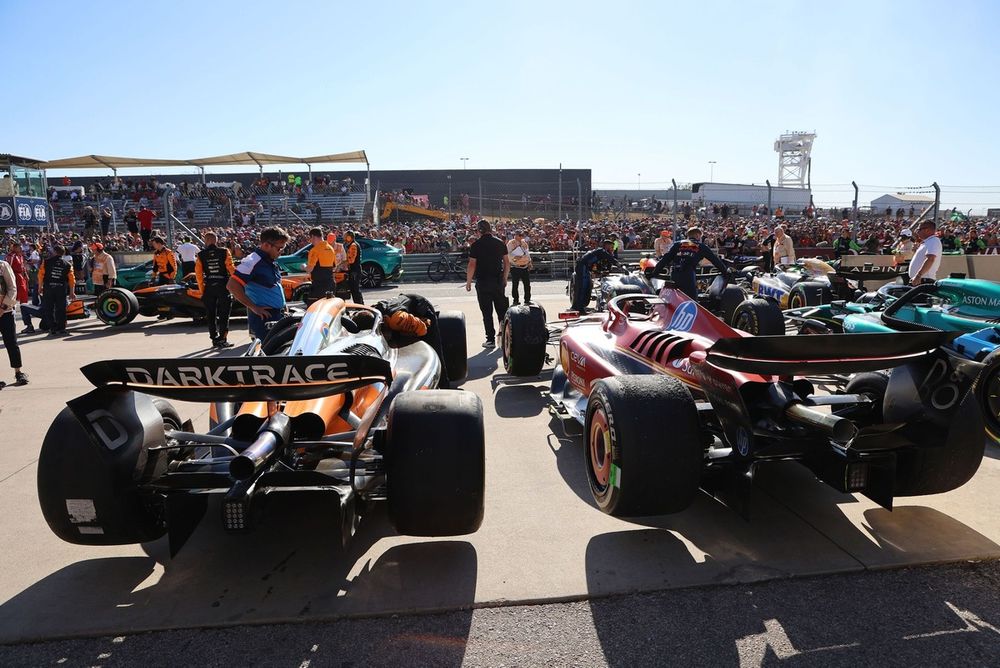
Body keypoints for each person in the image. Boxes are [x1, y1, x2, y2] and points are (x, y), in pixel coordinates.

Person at [227, 226, 289, 341]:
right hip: (264, 317)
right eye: (279, 248)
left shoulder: (269, 260)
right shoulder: (252, 261)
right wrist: (254, 307)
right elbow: (232, 285)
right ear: (266, 245)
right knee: (268, 355)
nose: (281, 252)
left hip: (276, 315)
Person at [647, 227, 729, 300]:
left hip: (675, 274)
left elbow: (664, 260)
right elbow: (715, 260)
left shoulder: (677, 244)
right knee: (692, 302)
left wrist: (654, 273)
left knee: (675, 300)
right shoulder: (701, 246)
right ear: (697, 235)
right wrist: (725, 272)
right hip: (688, 275)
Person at [465, 219, 509, 348]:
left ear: (479, 231)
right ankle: (504, 336)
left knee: (486, 312)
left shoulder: (476, 245)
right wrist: (505, 278)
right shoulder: (500, 242)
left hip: (483, 282)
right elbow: (507, 262)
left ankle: (490, 339)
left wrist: (468, 282)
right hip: (497, 281)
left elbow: (472, 264)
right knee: (502, 310)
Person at [196, 231, 236, 348]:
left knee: (210, 314)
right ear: (216, 240)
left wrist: (202, 290)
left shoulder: (201, 254)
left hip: (209, 287)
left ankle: (214, 338)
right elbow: (231, 269)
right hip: (223, 286)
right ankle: (223, 339)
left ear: (206, 240)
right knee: (224, 314)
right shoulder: (224, 251)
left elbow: (198, 275)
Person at [571, 239, 620, 313]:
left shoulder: (600, 252)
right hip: (582, 266)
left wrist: (597, 271)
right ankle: (578, 307)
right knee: (582, 287)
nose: (612, 248)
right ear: (606, 245)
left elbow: (596, 264)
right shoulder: (601, 251)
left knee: (587, 286)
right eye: (611, 246)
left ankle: (581, 306)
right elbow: (610, 258)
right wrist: (618, 264)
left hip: (585, 267)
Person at [0, 255, 27, 386]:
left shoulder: (3, 266)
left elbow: (12, 288)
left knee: (11, 343)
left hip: (5, 312)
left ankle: (18, 372)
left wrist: (3, 307)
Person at [37, 244, 74, 336]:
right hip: (61, 288)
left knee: (49, 308)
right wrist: (72, 292)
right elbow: (72, 279)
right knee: (61, 308)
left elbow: (41, 276)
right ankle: (61, 328)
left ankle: (52, 328)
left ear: (54, 252)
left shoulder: (46, 262)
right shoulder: (68, 264)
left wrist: (40, 287)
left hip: (48, 288)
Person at [305, 227, 336, 302]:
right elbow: (334, 267)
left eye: (310, 238)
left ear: (313, 236)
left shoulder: (315, 250)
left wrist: (304, 267)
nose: (310, 241)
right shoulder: (331, 248)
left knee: (315, 309)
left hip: (319, 285)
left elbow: (309, 269)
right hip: (331, 284)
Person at [909, 220, 942, 285]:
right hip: (920, 280)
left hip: (924, 280)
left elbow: (930, 259)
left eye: (919, 229)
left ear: (927, 230)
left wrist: (918, 275)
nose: (917, 231)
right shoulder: (928, 242)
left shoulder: (933, 241)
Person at [507, 230, 532, 305]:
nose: (522, 236)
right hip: (515, 267)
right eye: (520, 235)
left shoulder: (524, 243)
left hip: (524, 266)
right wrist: (515, 257)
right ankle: (515, 300)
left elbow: (527, 253)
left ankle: (527, 300)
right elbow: (508, 255)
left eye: (522, 235)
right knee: (515, 284)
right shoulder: (511, 243)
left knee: (527, 284)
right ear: (516, 235)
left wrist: (529, 262)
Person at [342, 230, 363, 304]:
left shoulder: (353, 245)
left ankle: (360, 307)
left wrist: (341, 263)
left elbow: (351, 260)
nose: (343, 237)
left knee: (355, 290)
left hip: (354, 270)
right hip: (353, 270)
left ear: (349, 237)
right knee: (354, 290)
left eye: (345, 236)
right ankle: (359, 306)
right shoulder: (349, 244)